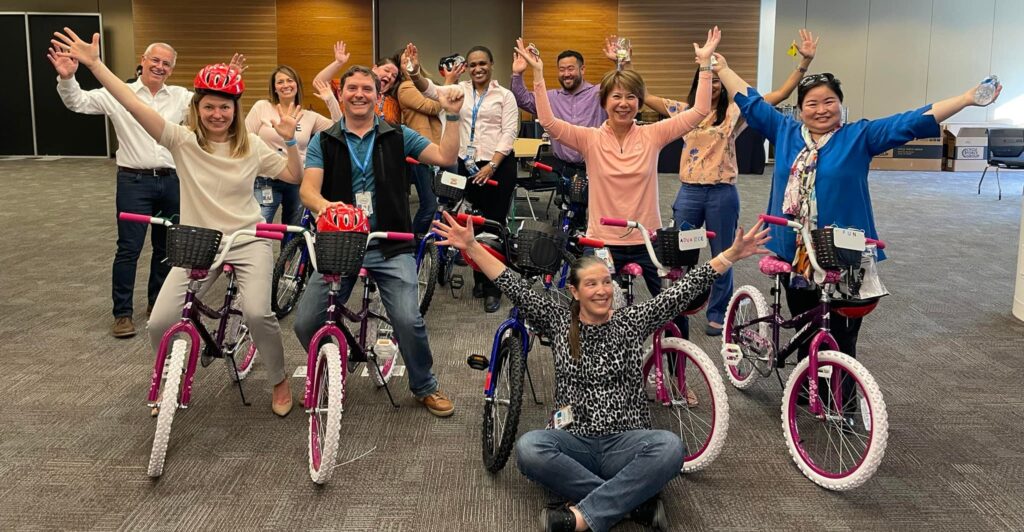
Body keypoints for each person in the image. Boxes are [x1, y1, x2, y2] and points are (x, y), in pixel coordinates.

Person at [432, 211, 770, 532]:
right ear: (574, 292)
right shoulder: (558, 320)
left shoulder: (631, 321)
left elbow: (683, 291)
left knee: (670, 448)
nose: (602, 290)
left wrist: (730, 255)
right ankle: (632, 504)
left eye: (606, 282)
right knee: (529, 448)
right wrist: (473, 246)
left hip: (626, 443)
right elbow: (512, 283)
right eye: (591, 284)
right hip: (574, 443)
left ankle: (582, 514)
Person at [52, 29, 304, 416]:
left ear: (235, 110)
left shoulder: (251, 145)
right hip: (198, 240)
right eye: (209, 107)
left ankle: (278, 379)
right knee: (159, 321)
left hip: (248, 238)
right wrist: (94, 64)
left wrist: (289, 142)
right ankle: (168, 375)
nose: (217, 114)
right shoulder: (181, 140)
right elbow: (131, 104)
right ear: (196, 109)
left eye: (225, 107)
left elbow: (293, 176)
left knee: (258, 313)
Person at [714, 51, 1002, 362]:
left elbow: (912, 121)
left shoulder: (859, 136)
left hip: (844, 253)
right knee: (806, 323)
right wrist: (723, 68)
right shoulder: (784, 132)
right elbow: (750, 100)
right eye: (812, 103)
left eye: (829, 102)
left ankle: (842, 398)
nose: (821, 110)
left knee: (842, 332)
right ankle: (805, 387)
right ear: (799, 110)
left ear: (840, 104)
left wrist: (966, 98)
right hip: (794, 249)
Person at [512, 28, 719, 332]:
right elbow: (550, 123)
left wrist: (705, 65)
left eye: (631, 97)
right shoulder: (591, 139)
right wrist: (539, 73)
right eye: (616, 97)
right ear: (604, 102)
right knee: (586, 311)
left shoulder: (652, 135)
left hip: (647, 240)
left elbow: (700, 110)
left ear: (638, 102)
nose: (624, 103)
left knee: (675, 307)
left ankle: (677, 374)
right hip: (602, 241)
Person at [293, 64, 465, 417]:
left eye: (367, 89)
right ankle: (333, 360)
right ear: (341, 94)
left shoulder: (398, 134)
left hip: (390, 243)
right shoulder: (324, 140)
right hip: (340, 244)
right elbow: (308, 191)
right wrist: (328, 206)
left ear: (378, 96)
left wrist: (455, 116)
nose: (359, 94)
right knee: (306, 322)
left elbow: (445, 157)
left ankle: (424, 386)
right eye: (352, 88)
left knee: (407, 318)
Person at [642, 29, 819, 337]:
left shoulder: (735, 111)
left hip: (722, 193)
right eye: (704, 78)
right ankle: (681, 302)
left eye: (713, 79)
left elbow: (779, 95)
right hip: (689, 193)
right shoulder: (683, 111)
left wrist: (803, 63)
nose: (709, 85)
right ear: (698, 82)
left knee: (723, 251)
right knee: (681, 253)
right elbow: (642, 95)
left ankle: (718, 310)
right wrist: (622, 62)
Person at [49, 41, 193, 338]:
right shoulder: (119, 92)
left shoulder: (180, 96)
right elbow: (78, 102)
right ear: (143, 59)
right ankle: (122, 314)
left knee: (167, 249)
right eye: (155, 60)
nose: (160, 67)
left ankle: (157, 304)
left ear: (172, 68)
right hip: (133, 182)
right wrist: (67, 77)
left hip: (171, 181)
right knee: (128, 249)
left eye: (167, 63)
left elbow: (209, 107)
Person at [407, 43, 519, 313]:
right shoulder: (459, 91)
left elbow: (509, 131)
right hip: (464, 166)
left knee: (493, 227)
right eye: (473, 64)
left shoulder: (504, 96)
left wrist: (491, 165)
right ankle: (480, 277)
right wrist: (412, 72)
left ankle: (493, 286)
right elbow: (429, 89)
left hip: (496, 166)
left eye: (483, 63)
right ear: (466, 68)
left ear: (491, 65)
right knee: (469, 224)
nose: (478, 68)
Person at [246, 65, 342, 227]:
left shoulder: (309, 116)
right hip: (266, 179)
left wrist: (330, 99)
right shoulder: (262, 107)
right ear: (274, 88)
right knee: (260, 226)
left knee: (295, 230)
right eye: (280, 82)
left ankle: (288, 254)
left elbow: (338, 128)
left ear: (297, 85)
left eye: (290, 80)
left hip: (297, 180)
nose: (285, 85)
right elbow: (245, 137)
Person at [510, 47, 605, 180]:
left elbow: (623, 88)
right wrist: (517, 74)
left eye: (571, 68)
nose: (566, 74)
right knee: (567, 201)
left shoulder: (599, 93)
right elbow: (522, 100)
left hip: (597, 169)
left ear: (582, 69)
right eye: (561, 69)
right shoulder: (551, 97)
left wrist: (621, 64)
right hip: (564, 170)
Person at [396, 60, 444, 234]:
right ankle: (413, 244)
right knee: (429, 206)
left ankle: (439, 249)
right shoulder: (405, 87)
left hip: (439, 148)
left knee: (445, 203)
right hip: (422, 151)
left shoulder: (428, 85)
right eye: (404, 60)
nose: (408, 62)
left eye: (411, 58)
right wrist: (445, 96)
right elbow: (430, 106)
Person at [315, 41, 402, 125]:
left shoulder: (393, 103)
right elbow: (319, 82)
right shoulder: (348, 85)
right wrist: (338, 63)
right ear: (375, 68)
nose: (390, 76)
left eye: (394, 75)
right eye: (386, 70)